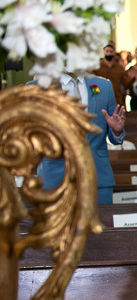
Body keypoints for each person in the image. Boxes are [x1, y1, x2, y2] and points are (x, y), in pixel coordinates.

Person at [36, 74, 125, 204]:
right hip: (54, 179)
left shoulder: (104, 86)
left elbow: (114, 136)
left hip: (97, 176)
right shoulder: (37, 87)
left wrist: (117, 131)